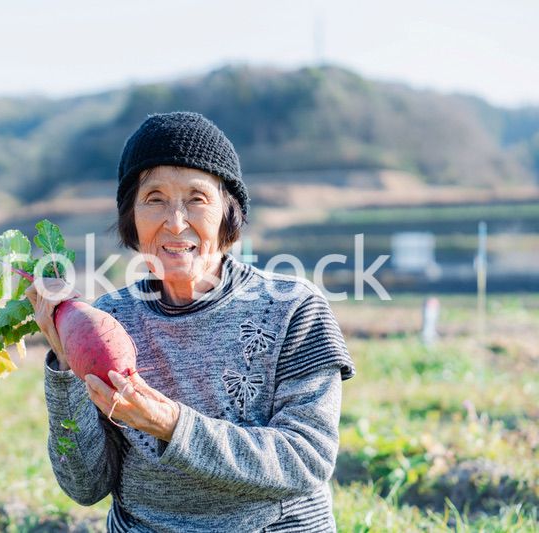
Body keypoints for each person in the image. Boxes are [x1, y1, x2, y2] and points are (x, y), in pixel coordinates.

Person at [26, 111, 356, 532]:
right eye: (154, 199)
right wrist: (66, 366)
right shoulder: (111, 320)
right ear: (131, 217)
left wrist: (172, 426)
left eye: (197, 199)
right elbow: (84, 486)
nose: (176, 222)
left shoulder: (293, 308)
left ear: (228, 214)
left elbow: (306, 459)